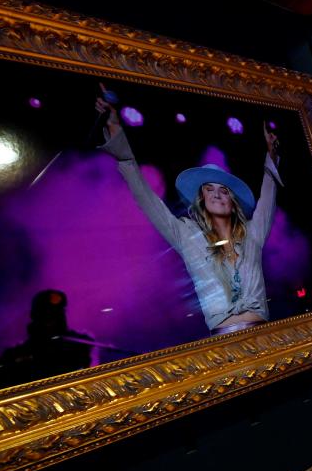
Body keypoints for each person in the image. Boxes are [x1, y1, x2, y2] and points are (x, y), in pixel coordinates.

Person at [95, 93, 282, 336]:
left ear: (232, 202)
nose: (217, 194)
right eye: (209, 189)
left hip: (264, 337)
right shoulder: (187, 235)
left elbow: (268, 198)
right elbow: (147, 200)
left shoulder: (253, 234)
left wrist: (272, 156)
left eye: (223, 191)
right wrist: (118, 136)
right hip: (223, 345)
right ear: (202, 200)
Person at [0, 290, 94, 389]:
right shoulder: (13, 355)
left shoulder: (82, 344)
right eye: (48, 315)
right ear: (36, 316)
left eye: (59, 314)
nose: (55, 320)